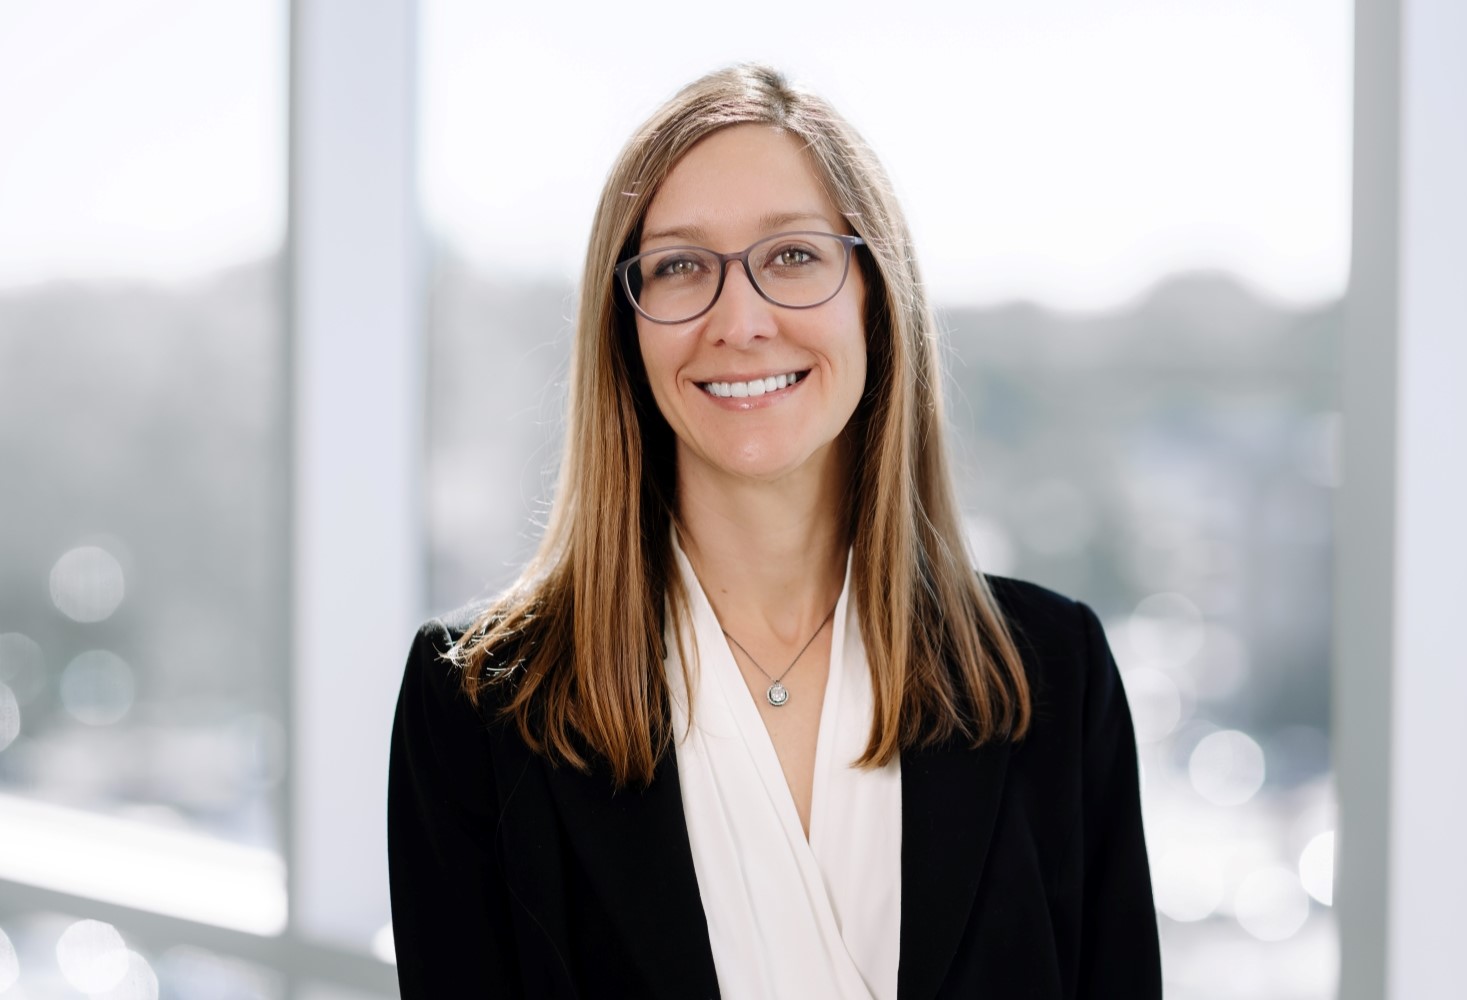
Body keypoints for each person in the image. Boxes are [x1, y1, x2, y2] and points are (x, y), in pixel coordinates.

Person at [388, 64, 1160, 999]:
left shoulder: (1054, 678)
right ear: (625, 328)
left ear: (874, 295)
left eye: (793, 255)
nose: (741, 321)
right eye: (679, 266)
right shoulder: (477, 707)